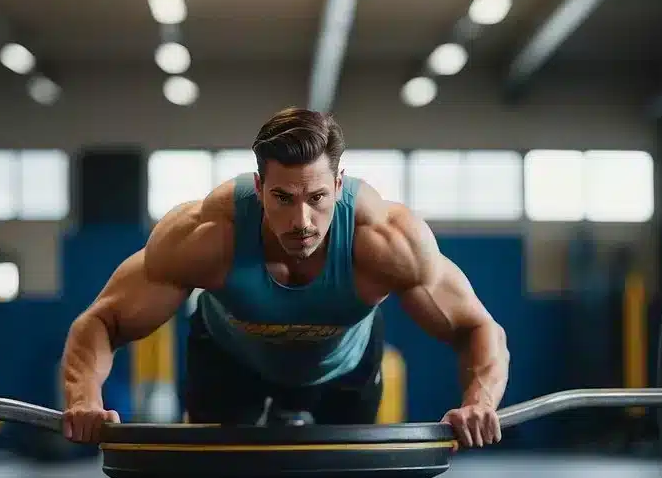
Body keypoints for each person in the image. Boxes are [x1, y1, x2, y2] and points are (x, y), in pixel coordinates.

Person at [60, 107, 510, 448]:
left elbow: (476, 327)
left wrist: (480, 402)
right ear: (259, 188)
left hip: (345, 370)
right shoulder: (206, 236)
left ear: (339, 185)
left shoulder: (388, 242)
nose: (302, 222)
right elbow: (102, 320)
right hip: (228, 362)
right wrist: (84, 400)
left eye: (317, 197)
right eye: (283, 198)